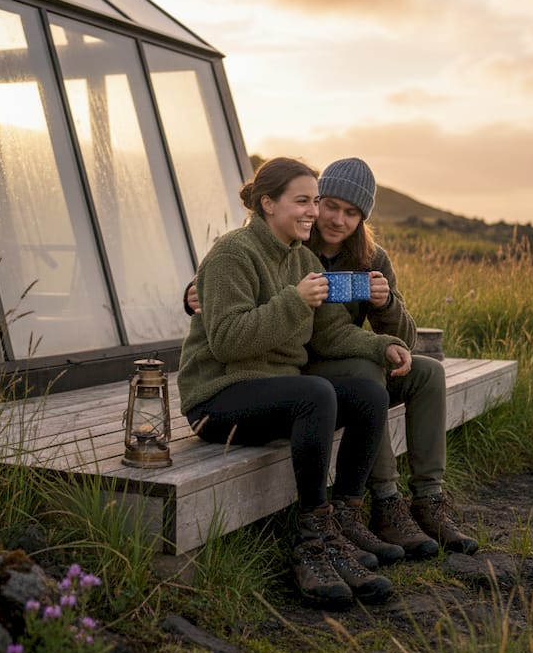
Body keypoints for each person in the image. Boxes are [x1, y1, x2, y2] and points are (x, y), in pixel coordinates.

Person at [185, 157, 478, 562]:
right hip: (269, 378)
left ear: (362, 218)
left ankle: (407, 504)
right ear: (274, 204)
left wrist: (385, 327)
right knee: (352, 380)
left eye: (350, 212)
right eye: (325, 205)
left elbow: (336, 330)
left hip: (300, 371)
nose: (333, 218)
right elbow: (229, 315)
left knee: (411, 377)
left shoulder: (354, 258)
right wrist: (199, 292)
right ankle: (363, 510)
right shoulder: (274, 244)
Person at [176, 157, 413, 610]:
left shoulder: (303, 259)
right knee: (315, 393)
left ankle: (342, 524)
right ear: (268, 204)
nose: (313, 212)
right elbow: (227, 341)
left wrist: (382, 345)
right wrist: (294, 300)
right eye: (303, 201)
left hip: (277, 393)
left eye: (314, 201)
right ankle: (311, 544)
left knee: (368, 394)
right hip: (218, 398)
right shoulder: (232, 254)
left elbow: (329, 334)